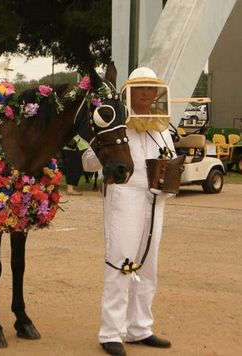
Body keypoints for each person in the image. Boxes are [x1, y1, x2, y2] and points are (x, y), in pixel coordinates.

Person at [82, 67, 175, 356]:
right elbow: (87, 160)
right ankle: (111, 332)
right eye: (141, 89)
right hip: (124, 197)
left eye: (151, 89)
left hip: (155, 201)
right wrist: (105, 159)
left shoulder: (162, 127)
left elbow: (171, 160)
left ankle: (140, 327)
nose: (147, 94)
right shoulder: (116, 124)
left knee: (148, 265)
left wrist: (171, 177)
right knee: (120, 262)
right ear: (130, 93)